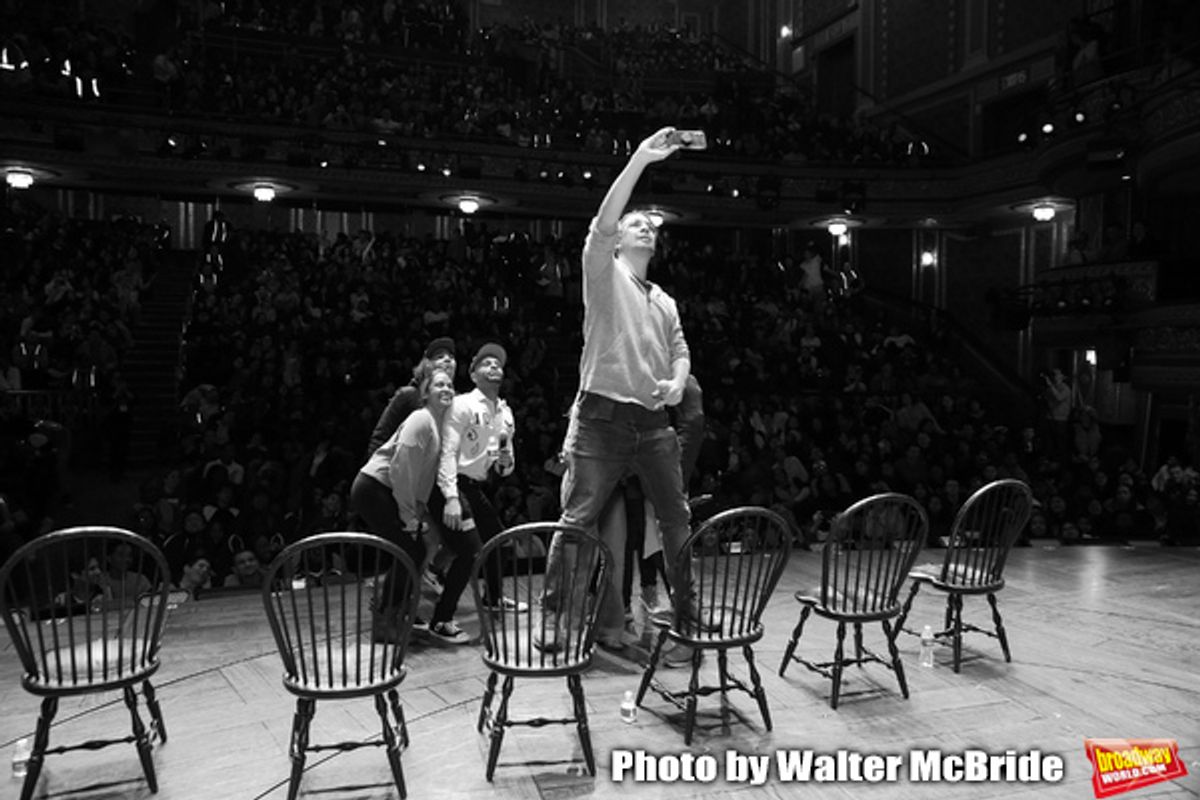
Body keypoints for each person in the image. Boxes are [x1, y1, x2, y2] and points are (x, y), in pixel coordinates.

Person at [542, 126, 711, 659]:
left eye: (651, 226)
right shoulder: (603, 272)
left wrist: (678, 379)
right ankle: (559, 623)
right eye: (636, 224)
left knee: (677, 519)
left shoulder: (665, 300)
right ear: (619, 239)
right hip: (601, 417)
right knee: (577, 520)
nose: (645, 229)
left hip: (653, 423)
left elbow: (681, 350)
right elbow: (602, 221)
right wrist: (640, 156)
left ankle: (689, 624)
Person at [352, 363, 455, 642]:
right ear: (425, 393)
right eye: (439, 385)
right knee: (411, 552)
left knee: (414, 552)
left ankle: (392, 614)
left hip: (386, 491)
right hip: (374, 488)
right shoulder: (421, 419)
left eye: (449, 385)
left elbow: (420, 476)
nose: (446, 389)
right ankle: (386, 621)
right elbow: (401, 469)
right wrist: (410, 516)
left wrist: (417, 510)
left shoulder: (437, 426)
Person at [432, 342, 522, 644]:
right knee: (470, 552)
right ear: (473, 373)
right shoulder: (462, 405)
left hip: (476, 485)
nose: (494, 366)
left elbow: (504, 465)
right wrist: (452, 497)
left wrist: (506, 464)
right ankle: (441, 619)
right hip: (452, 484)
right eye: (486, 363)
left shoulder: (506, 413)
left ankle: (493, 599)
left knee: (499, 542)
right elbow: (447, 452)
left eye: (498, 363)